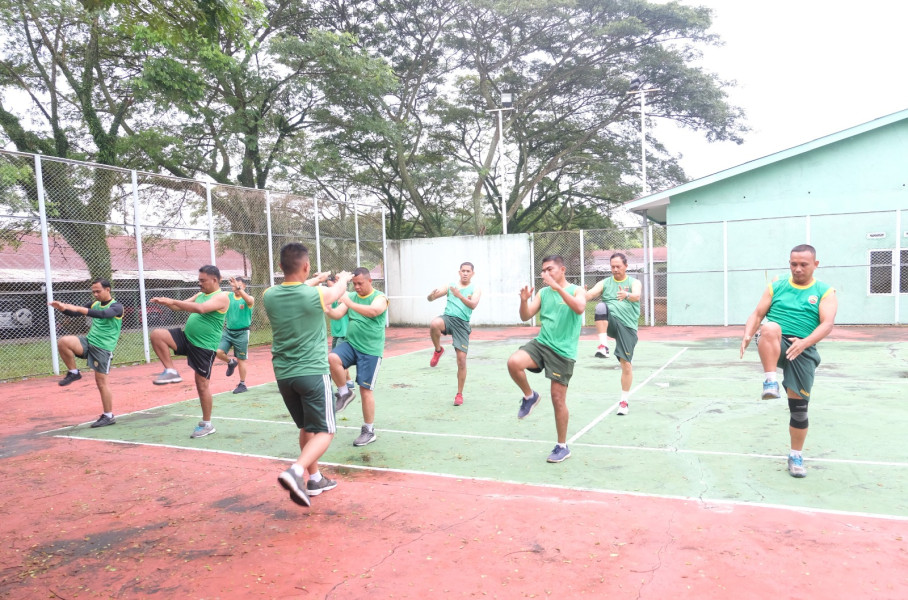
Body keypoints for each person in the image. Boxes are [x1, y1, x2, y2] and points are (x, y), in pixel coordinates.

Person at [263, 243, 353, 508]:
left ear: (281, 267)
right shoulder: (315, 296)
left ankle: (314, 479)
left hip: (284, 375)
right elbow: (338, 292)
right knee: (326, 430)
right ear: (306, 266)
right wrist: (344, 278)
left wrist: (317, 278)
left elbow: (302, 286)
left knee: (307, 428)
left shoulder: (269, 294)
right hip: (312, 372)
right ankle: (295, 471)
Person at [740, 244, 837, 478]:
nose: (798, 268)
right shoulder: (776, 286)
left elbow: (827, 324)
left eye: (804, 264)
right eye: (793, 264)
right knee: (770, 327)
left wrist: (804, 343)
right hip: (776, 343)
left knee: (800, 411)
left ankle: (795, 455)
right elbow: (757, 314)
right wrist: (747, 333)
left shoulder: (825, 291)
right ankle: (770, 381)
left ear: (815, 264)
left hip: (803, 349)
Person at [506, 255, 586, 463]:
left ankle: (562, 446)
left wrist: (558, 288)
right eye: (543, 271)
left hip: (563, 352)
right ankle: (529, 396)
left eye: (550, 269)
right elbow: (526, 316)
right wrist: (523, 301)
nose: (545, 274)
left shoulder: (577, 290)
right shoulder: (542, 293)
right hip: (542, 344)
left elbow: (579, 308)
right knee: (513, 362)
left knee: (558, 399)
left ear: (562, 270)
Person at [149, 265, 229, 439]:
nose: (199, 283)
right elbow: (180, 307)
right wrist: (167, 302)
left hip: (204, 348)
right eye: (199, 280)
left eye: (203, 280)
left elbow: (200, 309)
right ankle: (170, 370)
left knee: (202, 386)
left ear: (214, 280)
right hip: (187, 339)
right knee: (157, 335)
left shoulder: (222, 297)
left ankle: (207, 424)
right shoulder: (200, 294)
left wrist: (173, 302)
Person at [327, 267, 388, 447]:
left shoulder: (380, 297)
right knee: (332, 358)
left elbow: (373, 311)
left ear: (370, 281)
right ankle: (344, 393)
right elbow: (338, 314)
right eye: (354, 284)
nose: (357, 287)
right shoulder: (351, 296)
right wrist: (327, 308)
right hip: (351, 344)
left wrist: (347, 300)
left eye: (360, 283)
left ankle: (369, 430)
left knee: (365, 390)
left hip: (370, 350)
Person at [49, 278, 124, 428]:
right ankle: (74, 372)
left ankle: (108, 416)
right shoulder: (94, 304)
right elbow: (74, 314)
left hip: (103, 349)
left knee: (101, 383)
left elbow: (103, 315)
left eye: (98, 291)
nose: (95, 294)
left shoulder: (117, 306)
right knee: (64, 341)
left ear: (108, 290)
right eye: (93, 292)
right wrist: (62, 308)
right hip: (88, 342)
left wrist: (78, 308)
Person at [585, 253, 642, 416]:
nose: (615, 269)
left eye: (618, 266)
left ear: (626, 266)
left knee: (626, 364)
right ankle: (603, 346)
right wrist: (583, 294)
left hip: (627, 327)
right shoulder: (605, 282)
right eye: (612, 267)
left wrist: (627, 295)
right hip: (611, 322)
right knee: (600, 307)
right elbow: (590, 295)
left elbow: (637, 296)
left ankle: (624, 401)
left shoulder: (634, 282)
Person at [427, 262, 482, 406]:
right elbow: (430, 298)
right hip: (448, 319)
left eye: (468, 271)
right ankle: (438, 350)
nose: (465, 273)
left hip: (462, 324)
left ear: (472, 273)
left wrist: (460, 296)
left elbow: (473, 305)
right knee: (434, 324)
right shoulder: (451, 285)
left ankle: (459, 394)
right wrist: (431, 296)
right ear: (459, 272)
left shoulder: (475, 288)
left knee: (461, 360)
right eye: (463, 271)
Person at [215, 276, 255, 394]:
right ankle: (231, 363)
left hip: (242, 332)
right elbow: (216, 293)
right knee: (218, 352)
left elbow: (249, 301)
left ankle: (242, 384)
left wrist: (238, 288)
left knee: (241, 358)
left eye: (238, 285)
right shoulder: (228, 297)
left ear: (244, 286)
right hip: (228, 331)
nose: (236, 288)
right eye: (234, 286)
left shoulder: (249, 299)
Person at [326, 274, 355, 393]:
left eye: (332, 283)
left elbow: (339, 296)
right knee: (334, 359)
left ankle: (344, 387)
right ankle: (348, 381)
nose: (330, 286)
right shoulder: (331, 294)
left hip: (344, 332)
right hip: (336, 333)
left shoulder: (345, 295)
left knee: (338, 360)